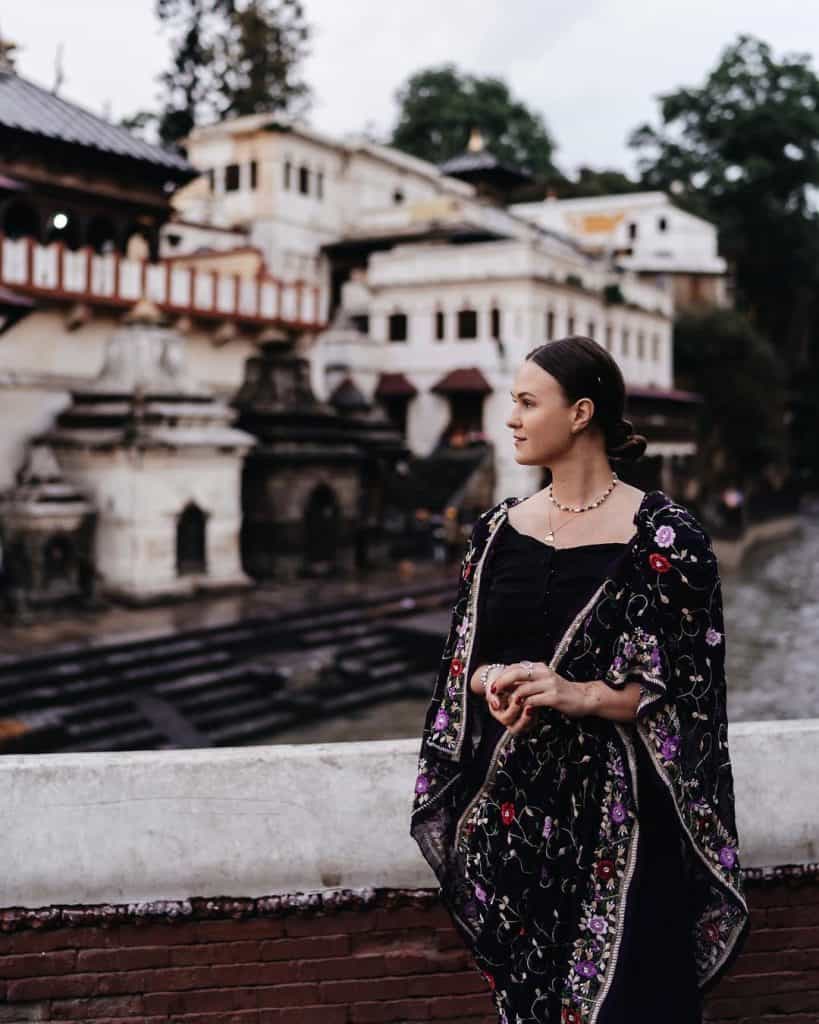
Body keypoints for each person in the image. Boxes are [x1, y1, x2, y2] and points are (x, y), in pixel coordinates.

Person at [409, 336, 749, 1024]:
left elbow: (693, 699)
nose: (510, 418)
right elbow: (461, 670)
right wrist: (498, 684)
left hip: (622, 823)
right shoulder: (496, 532)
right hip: (516, 821)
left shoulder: (666, 540)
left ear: (580, 413)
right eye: (511, 402)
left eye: (528, 403)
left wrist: (582, 694)